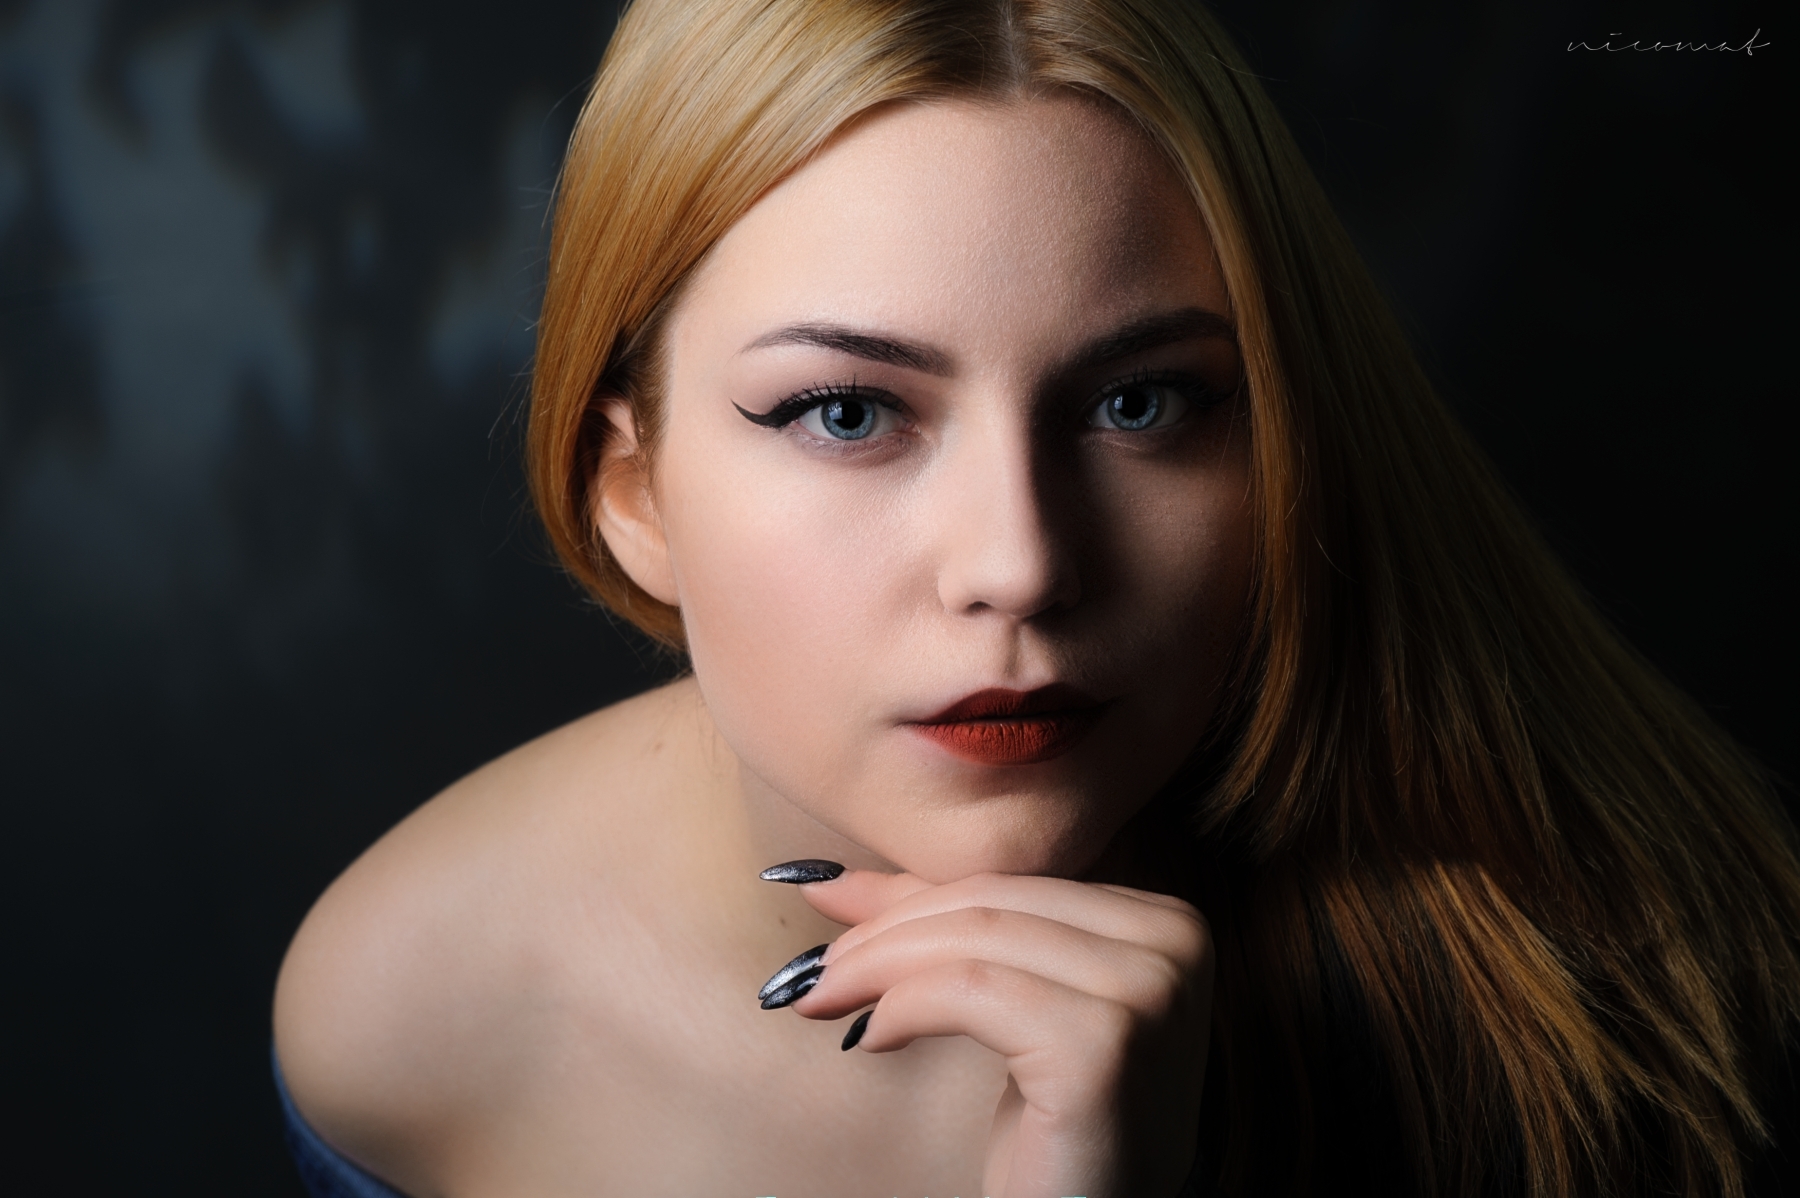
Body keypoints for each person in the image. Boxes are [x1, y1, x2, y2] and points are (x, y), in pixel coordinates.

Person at [271, 1, 1800, 1195]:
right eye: (848, 412)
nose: (1020, 563)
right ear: (634, 492)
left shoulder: (1616, 991)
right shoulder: (417, 1013)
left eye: (1141, 404)